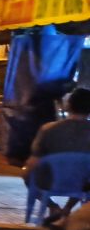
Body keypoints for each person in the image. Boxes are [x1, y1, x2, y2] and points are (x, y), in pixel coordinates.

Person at [22, 87, 90, 219]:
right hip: (82, 184)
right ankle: (68, 208)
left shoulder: (48, 129)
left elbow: (33, 162)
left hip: (50, 181)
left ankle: (53, 207)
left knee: (28, 176)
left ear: (68, 105)